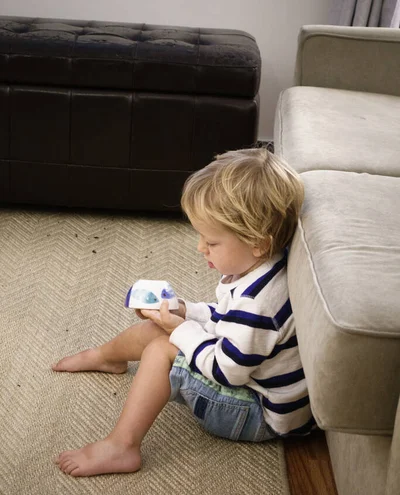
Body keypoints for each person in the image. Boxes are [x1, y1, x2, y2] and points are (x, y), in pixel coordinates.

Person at [53, 147, 314, 477]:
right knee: (162, 328)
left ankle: (122, 446)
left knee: (163, 348)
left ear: (258, 243)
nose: (200, 248)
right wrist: (186, 311)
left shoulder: (258, 303)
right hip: (251, 381)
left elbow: (227, 371)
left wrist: (180, 330)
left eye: (212, 242)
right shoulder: (261, 269)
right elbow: (226, 319)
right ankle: (106, 356)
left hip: (258, 413)